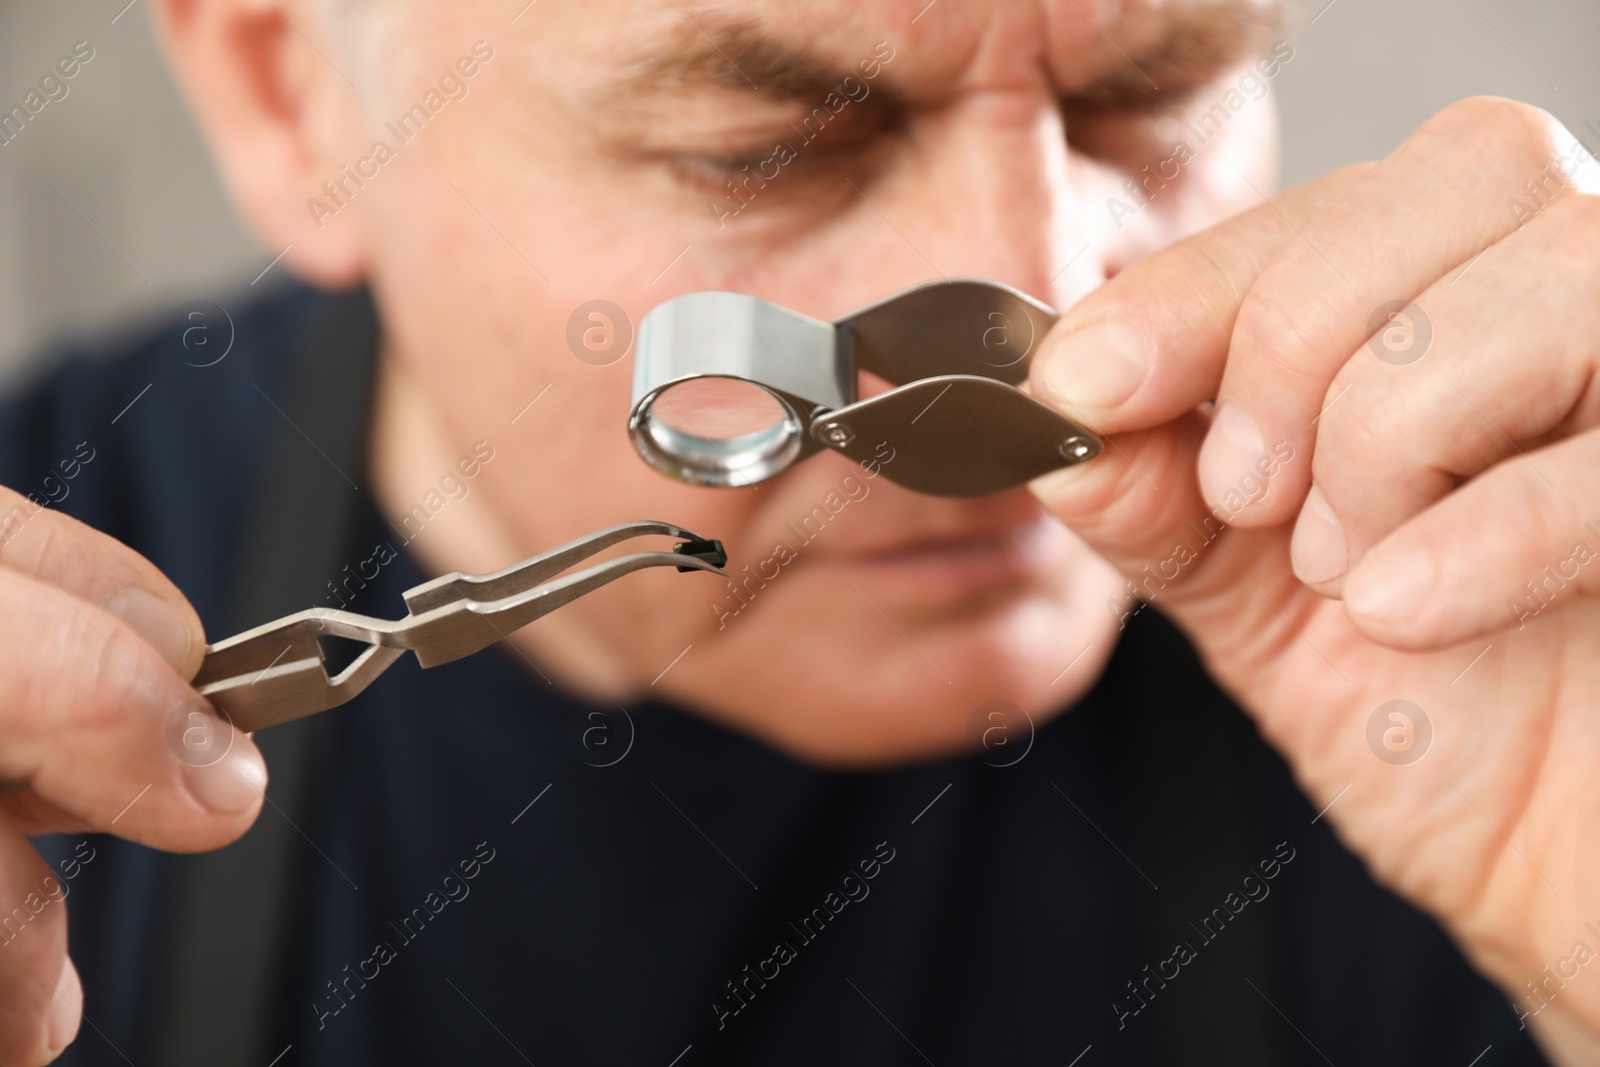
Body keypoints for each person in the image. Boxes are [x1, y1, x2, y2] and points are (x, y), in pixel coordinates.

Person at [1, 0, 1597, 1062]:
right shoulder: (43, 646)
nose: (1045, 336)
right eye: (762, 149)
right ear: (292, 92)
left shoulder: (1482, 610)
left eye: (1150, 95)